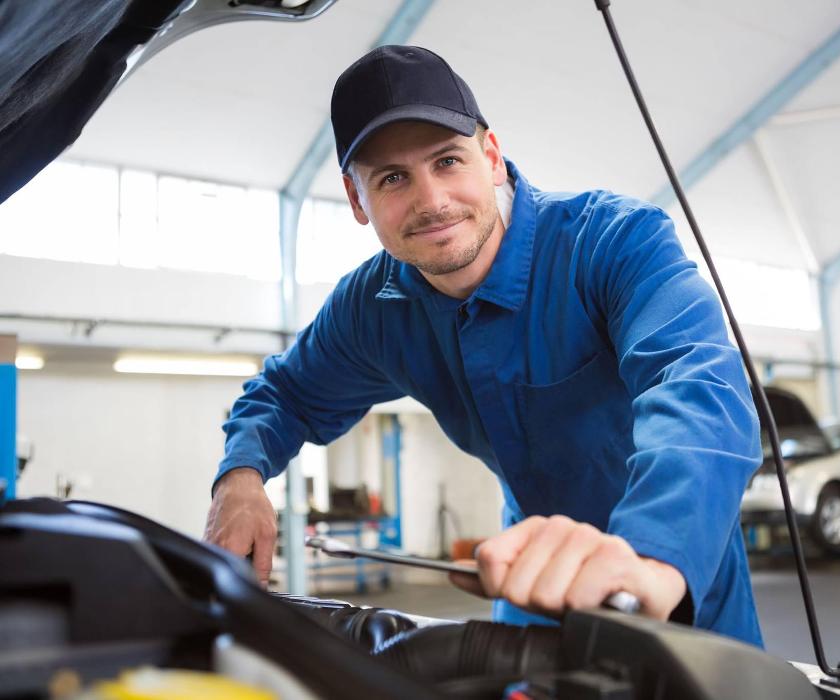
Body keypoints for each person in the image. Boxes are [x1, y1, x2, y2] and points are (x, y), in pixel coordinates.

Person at [204, 45, 763, 646]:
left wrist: (652, 555)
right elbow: (285, 394)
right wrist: (241, 477)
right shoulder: (373, 310)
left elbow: (699, 381)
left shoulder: (614, 242)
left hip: (672, 562)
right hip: (526, 581)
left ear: (492, 156)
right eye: (392, 178)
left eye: (448, 160)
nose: (431, 201)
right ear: (356, 199)